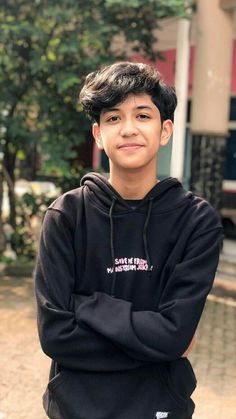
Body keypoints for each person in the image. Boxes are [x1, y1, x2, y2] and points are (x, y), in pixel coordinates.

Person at [35, 61, 223, 419]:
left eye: (142, 115)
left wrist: (89, 306)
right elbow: (56, 336)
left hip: (161, 406)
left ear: (165, 130)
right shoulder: (66, 216)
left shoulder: (196, 221)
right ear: (98, 134)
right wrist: (159, 341)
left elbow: (175, 335)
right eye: (113, 118)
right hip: (75, 407)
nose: (128, 129)